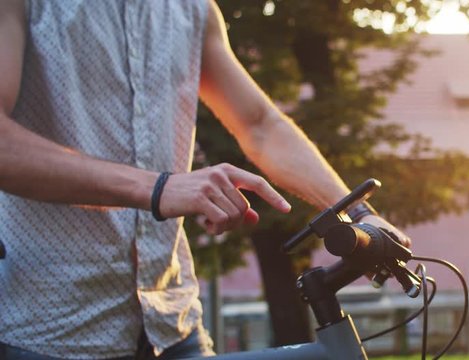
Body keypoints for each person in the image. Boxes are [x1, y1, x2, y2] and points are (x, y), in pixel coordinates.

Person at [0, 0, 410, 359]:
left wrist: (358, 211)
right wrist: (159, 188)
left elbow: (260, 125)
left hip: (172, 321)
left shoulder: (192, 9)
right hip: (49, 327)